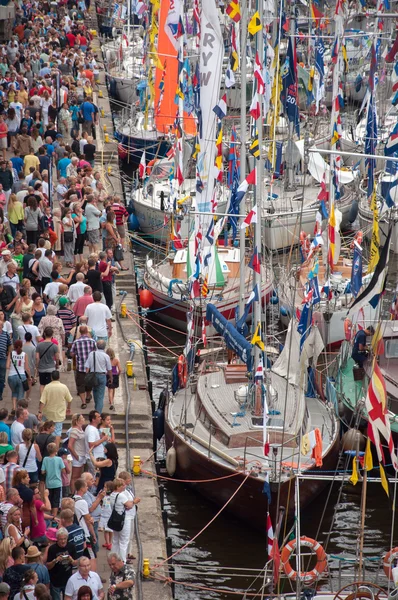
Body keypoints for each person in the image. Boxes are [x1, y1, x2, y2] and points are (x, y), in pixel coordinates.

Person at [38, 371, 72, 448]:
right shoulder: (64, 387)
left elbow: (42, 401)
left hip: (48, 414)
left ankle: (47, 447)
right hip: (59, 414)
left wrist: (40, 412)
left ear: (51, 377)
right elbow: (69, 400)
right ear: (59, 377)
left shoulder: (47, 387)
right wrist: (68, 408)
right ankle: (55, 450)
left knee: (47, 430)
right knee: (57, 432)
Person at [109, 478, 136, 563]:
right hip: (123, 520)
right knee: (124, 541)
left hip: (115, 519)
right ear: (118, 487)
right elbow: (129, 505)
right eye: (123, 485)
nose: (125, 486)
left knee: (115, 540)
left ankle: (113, 558)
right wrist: (135, 501)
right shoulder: (121, 496)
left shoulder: (112, 495)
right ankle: (122, 561)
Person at [46, 528, 77, 600]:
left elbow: (75, 563)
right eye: (60, 539)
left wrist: (71, 560)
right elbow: (48, 566)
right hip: (55, 581)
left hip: (68, 580)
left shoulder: (71, 546)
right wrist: (55, 560)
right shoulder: (52, 549)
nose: (63, 541)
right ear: (57, 539)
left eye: (64, 539)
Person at [71, 325, 96, 409]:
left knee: (80, 385)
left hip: (80, 367)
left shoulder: (76, 342)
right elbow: (96, 352)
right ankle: (88, 396)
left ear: (80, 332)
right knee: (89, 383)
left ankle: (83, 402)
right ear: (87, 332)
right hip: (91, 367)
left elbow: (72, 353)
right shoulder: (92, 341)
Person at [84, 340, 112, 414]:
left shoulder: (91, 354)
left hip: (93, 375)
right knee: (100, 396)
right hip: (102, 375)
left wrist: (87, 376)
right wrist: (111, 378)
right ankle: (98, 413)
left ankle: (96, 410)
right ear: (104, 347)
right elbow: (109, 369)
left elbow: (87, 366)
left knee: (95, 393)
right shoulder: (106, 356)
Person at [6, 340, 31, 414]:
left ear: (14, 346)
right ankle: (19, 411)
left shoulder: (10, 354)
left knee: (14, 392)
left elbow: (7, 366)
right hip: (21, 376)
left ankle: (14, 407)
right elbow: (27, 368)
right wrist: (29, 377)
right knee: (21, 394)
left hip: (11, 376)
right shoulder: (24, 354)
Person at [41, 443, 65, 516]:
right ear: (56, 450)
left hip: (49, 483)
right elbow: (63, 470)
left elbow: (42, 471)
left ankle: (51, 514)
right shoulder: (59, 459)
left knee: (50, 499)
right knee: (56, 500)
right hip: (57, 482)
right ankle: (54, 516)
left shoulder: (45, 459)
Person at [36, 327, 60, 392]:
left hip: (42, 367)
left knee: (42, 384)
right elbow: (57, 357)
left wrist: (37, 367)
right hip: (51, 367)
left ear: (44, 334)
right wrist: (57, 365)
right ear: (52, 334)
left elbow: (37, 358)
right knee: (50, 385)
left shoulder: (39, 345)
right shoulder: (54, 346)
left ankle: (42, 399)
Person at [68, 414, 86, 494]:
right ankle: (72, 492)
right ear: (78, 420)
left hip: (82, 454)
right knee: (75, 476)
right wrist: (76, 456)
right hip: (78, 455)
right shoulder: (74, 430)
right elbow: (70, 445)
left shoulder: (81, 429)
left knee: (79, 476)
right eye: (82, 418)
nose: (84, 419)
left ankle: (77, 492)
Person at [0, 316, 11, 401]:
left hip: (3, 358)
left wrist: (8, 355)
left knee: (2, 377)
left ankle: (0, 394)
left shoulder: (6, 334)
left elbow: (10, 345)